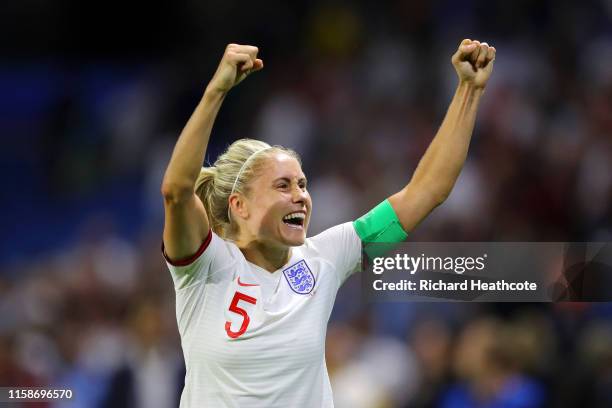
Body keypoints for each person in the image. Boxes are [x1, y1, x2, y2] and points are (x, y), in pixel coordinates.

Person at [161, 40, 496, 407]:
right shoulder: (204, 267)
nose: (301, 196)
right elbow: (178, 191)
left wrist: (469, 90)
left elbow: (428, 191)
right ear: (240, 205)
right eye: (283, 186)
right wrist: (217, 90)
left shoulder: (325, 257)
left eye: (303, 185)